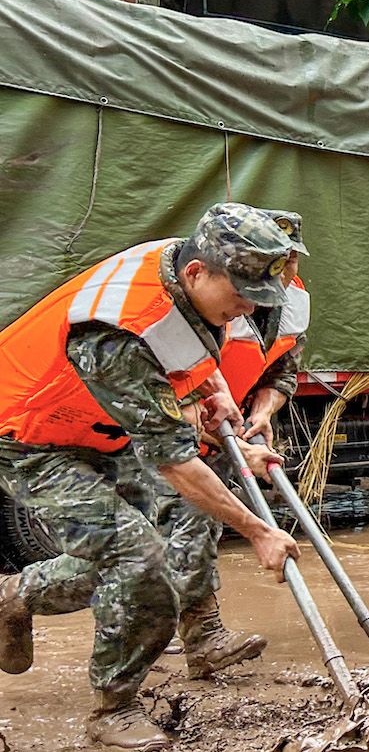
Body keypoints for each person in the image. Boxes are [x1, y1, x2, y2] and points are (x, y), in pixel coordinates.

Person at [0, 204, 301, 750]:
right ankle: (113, 708)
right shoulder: (118, 329)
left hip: (100, 424)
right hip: (26, 434)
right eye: (238, 297)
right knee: (137, 556)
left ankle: (21, 596)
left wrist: (217, 404)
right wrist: (259, 531)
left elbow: (183, 365)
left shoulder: (186, 270)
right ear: (197, 273)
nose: (244, 311)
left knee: (184, 520)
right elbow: (172, 457)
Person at [150, 206, 312, 681]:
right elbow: (172, 372)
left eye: (290, 262)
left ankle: (201, 640)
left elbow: (283, 371)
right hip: (176, 422)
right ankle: (154, 636)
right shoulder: (208, 295)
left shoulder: (293, 302)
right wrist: (198, 422)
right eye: (274, 261)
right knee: (150, 541)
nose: (282, 273)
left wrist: (261, 415)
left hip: (228, 425)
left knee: (198, 530)